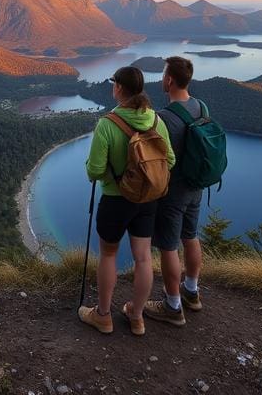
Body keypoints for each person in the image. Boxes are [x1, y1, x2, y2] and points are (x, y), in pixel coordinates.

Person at [78, 66, 174, 336]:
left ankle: (103, 316)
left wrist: (109, 172)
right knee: (143, 258)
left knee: (108, 254)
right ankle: (137, 316)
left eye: (114, 84)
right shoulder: (156, 121)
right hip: (148, 201)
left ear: (119, 88)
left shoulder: (108, 124)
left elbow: (94, 170)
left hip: (116, 200)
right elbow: (170, 162)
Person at [144, 56, 206, 326]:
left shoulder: (164, 118)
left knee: (169, 247)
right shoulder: (201, 107)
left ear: (169, 80)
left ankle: (172, 306)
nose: (161, 79)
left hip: (173, 192)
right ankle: (192, 293)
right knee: (190, 236)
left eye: (163, 75)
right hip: (196, 186)